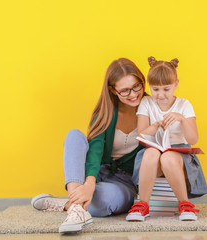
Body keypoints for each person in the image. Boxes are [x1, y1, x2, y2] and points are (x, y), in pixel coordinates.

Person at [31, 58, 147, 233]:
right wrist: (89, 183)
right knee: (74, 135)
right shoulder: (106, 111)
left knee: (103, 202)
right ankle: (78, 208)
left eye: (137, 86)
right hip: (95, 173)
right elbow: (95, 150)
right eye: (125, 90)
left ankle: (69, 204)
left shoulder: (153, 107)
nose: (133, 94)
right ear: (113, 90)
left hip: (125, 183)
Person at [126, 57, 207, 222]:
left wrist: (182, 119)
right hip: (154, 153)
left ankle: (185, 204)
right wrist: (154, 126)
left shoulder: (184, 105)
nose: (161, 95)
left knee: (168, 157)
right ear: (149, 86)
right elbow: (141, 138)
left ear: (176, 84)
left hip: (179, 156)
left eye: (166, 89)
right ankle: (143, 204)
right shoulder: (146, 103)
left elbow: (193, 138)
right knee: (150, 153)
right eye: (155, 89)